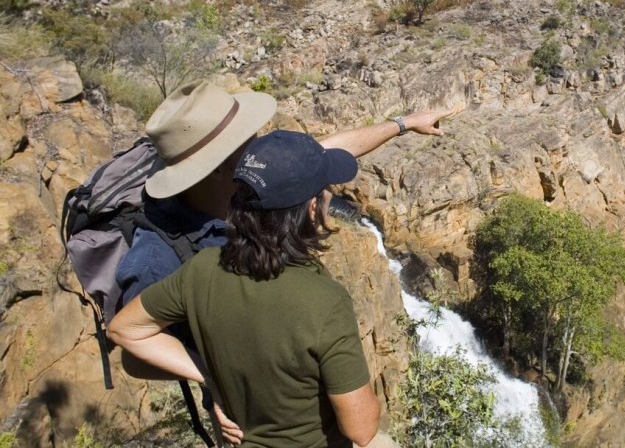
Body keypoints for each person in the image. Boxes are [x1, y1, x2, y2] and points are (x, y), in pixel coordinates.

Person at [112, 80, 453, 443]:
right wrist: (211, 373)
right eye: (247, 140)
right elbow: (135, 355)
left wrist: (404, 123)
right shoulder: (159, 255)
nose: (258, 146)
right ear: (215, 167)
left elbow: (316, 157)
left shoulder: (250, 187)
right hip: (246, 415)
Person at [109, 131, 380, 447]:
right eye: (326, 189)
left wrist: (209, 375)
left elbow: (124, 330)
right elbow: (361, 429)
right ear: (310, 209)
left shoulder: (202, 268)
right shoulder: (324, 301)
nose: (331, 195)